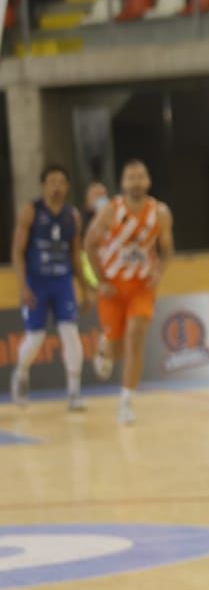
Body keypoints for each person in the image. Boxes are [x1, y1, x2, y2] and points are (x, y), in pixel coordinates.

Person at [84, 160, 174, 426]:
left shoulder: (160, 213)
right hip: (113, 288)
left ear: (148, 181)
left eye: (140, 176)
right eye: (130, 177)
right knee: (118, 349)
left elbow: (167, 250)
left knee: (136, 338)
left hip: (142, 287)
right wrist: (101, 281)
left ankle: (126, 402)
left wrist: (160, 271)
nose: (136, 181)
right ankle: (105, 349)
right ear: (123, 183)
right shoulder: (110, 212)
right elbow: (89, 245)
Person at [9, 165, 88, 410]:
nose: (56, 187)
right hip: (37, 282)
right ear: (43, 185)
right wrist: (23, 285)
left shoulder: (72, 216)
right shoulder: (31, 211)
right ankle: (21, 373)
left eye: (61, 182)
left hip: (62, 282)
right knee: (36, 338)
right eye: (51, 182)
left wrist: (85, 288)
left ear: (67, 186)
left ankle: (74, 393)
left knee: (71, 335)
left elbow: (76, 255)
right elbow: (17, 252)